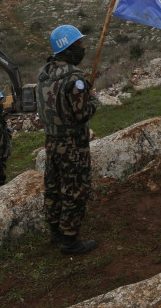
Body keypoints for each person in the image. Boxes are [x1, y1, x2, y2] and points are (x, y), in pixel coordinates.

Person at [37, 25, 99, 255]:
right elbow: (83, 113)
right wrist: (92, 98)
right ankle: (70, 241)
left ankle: (55, 231)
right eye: (79, 44)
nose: (83, 48)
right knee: (74, 189)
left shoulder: (44, 73)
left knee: (53, 186)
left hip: (51, 141)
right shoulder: (75, 78)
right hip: (73, 145)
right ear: (69, 48)